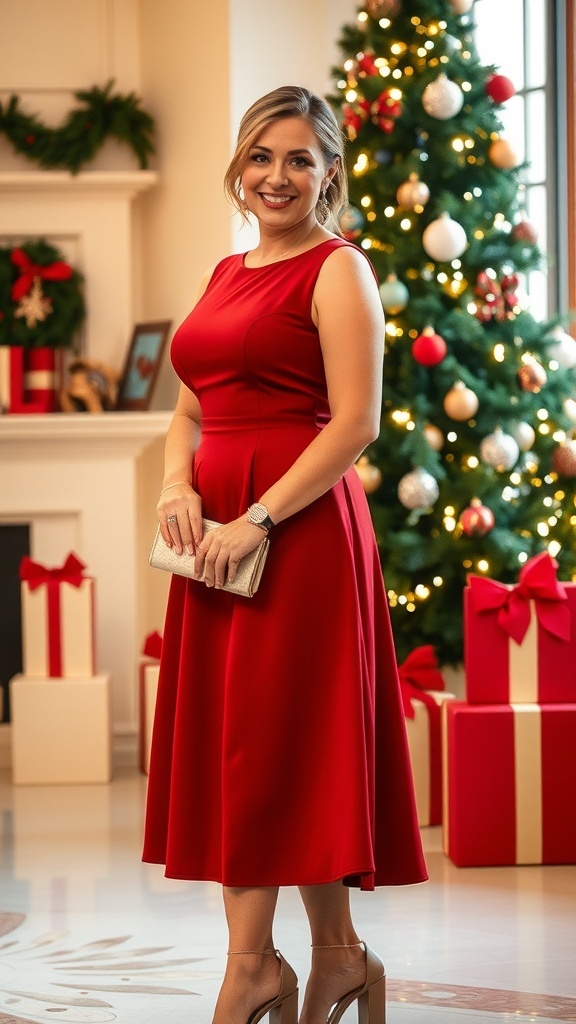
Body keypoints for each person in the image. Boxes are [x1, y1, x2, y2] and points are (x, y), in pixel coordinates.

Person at [142, 85, 427, 1024]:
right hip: (215, 539)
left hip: (293, 538)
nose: (278, 175)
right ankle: (336, 957)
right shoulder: (226, 276)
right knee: (262, 748)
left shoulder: (339, 270)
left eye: (300, 159)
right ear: (240, 166)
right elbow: (190, 407)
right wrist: (181, 489)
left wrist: (255, 518)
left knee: (272, 749)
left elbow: (355, 424)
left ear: (328, 174)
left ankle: (253, 969)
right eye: (263, 156)